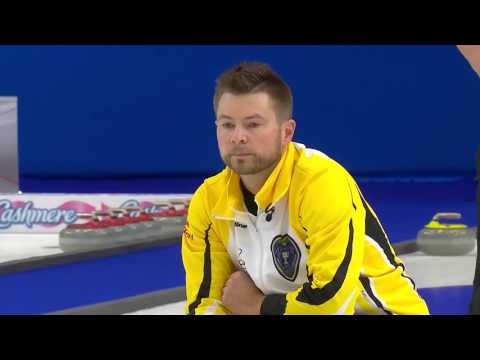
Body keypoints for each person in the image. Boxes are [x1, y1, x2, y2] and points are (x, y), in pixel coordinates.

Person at [181, 62, 429, 315]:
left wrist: (256, 305)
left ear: (286, 132)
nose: (238, 137)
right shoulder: (209, 201)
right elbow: (204, 303)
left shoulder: (321, 183)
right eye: (227, 125)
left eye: (253, 124)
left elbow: (332, 306)